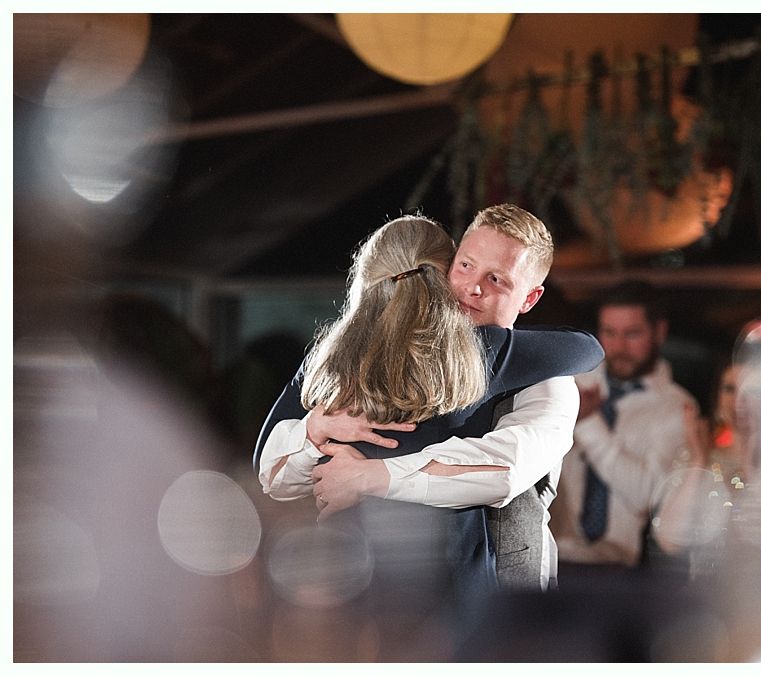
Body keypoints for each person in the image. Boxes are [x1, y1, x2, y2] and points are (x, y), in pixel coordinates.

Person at [254, 205, 603, 592]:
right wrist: (315, 427)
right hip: (364, 581)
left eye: (497, 279)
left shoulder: (532, 371)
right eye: (466, 266)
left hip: (490, 599)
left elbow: (506, 470)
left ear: (529, 298)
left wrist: (368, 476)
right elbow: (270, 470)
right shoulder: (342, 358)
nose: (474, 288)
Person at [549, 280, 698, 571]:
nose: (617, 347)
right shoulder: (571, 384)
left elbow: (646, 494)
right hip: (550, 559)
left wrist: (589, 423)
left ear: (660, 332)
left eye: (632, 334)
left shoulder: (677, 407)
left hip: (620, 571)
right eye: (609, 333)